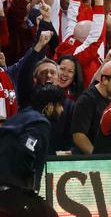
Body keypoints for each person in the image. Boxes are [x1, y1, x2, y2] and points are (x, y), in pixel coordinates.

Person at [0, 83, 64, 217]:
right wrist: (25, 184)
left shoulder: (17, 118)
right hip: (12, 191)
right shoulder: (40, 122)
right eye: (60, 105)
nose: (62, 110)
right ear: (49, 106)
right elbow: (27, 149)